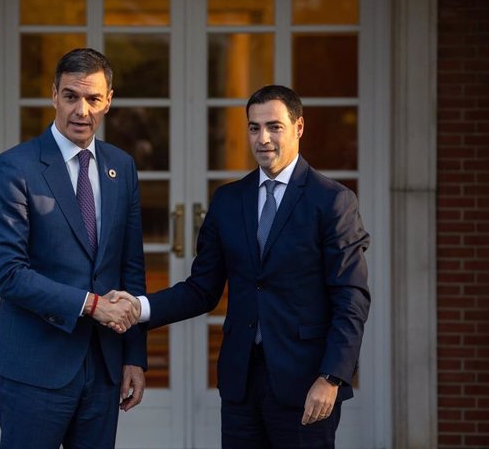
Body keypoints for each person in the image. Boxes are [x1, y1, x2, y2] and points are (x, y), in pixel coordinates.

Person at [109, 85, 370, 448]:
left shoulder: (332, 201)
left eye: (274, 127)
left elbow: (351, 298)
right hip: (240, 382)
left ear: (298, 128)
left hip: (307, 383)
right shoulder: (229, 200)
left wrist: (332, 377)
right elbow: (201, 289)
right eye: (253, 128)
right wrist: (140, 308)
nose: (262, 138)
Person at [0, 48, 147, 449]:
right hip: (36, 368)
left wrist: (134, 357)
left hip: (104, 366)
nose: (82, 110)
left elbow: (131, 267)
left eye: (93, 99)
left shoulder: (121, 167)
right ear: (54, 94)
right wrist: (91, 304)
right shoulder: (14, 167)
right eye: (71, 96)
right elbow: (8, 274)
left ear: (109, 100)